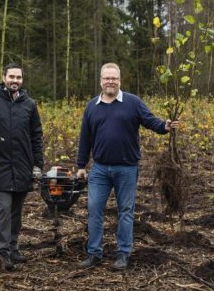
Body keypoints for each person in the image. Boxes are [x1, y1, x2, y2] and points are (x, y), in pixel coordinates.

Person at [76, 62, 179, 270]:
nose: (110, 81)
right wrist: (81, 165)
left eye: (114, 78)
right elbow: (85, 138)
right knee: (94, 209)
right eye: (107, 78)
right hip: (99, 169)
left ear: (119, 80)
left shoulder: (133, 102)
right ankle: (94, 253)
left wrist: (165, 126)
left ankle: (123, 254)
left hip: (127, 168)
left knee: (125, 211)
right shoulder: (91, 106)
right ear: (101, 81)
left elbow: (150, 121)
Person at [0, 62, 44, 271]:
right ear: (3, 77)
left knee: (16, 211)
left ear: (22, 80)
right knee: (3, 208)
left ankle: (12, 247)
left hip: (23, 166)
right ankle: (1, 252)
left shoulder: (29, 104)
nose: (15, 81)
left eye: (18, 78)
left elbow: (36, 136)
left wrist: (38, 164)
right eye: (11, 77)